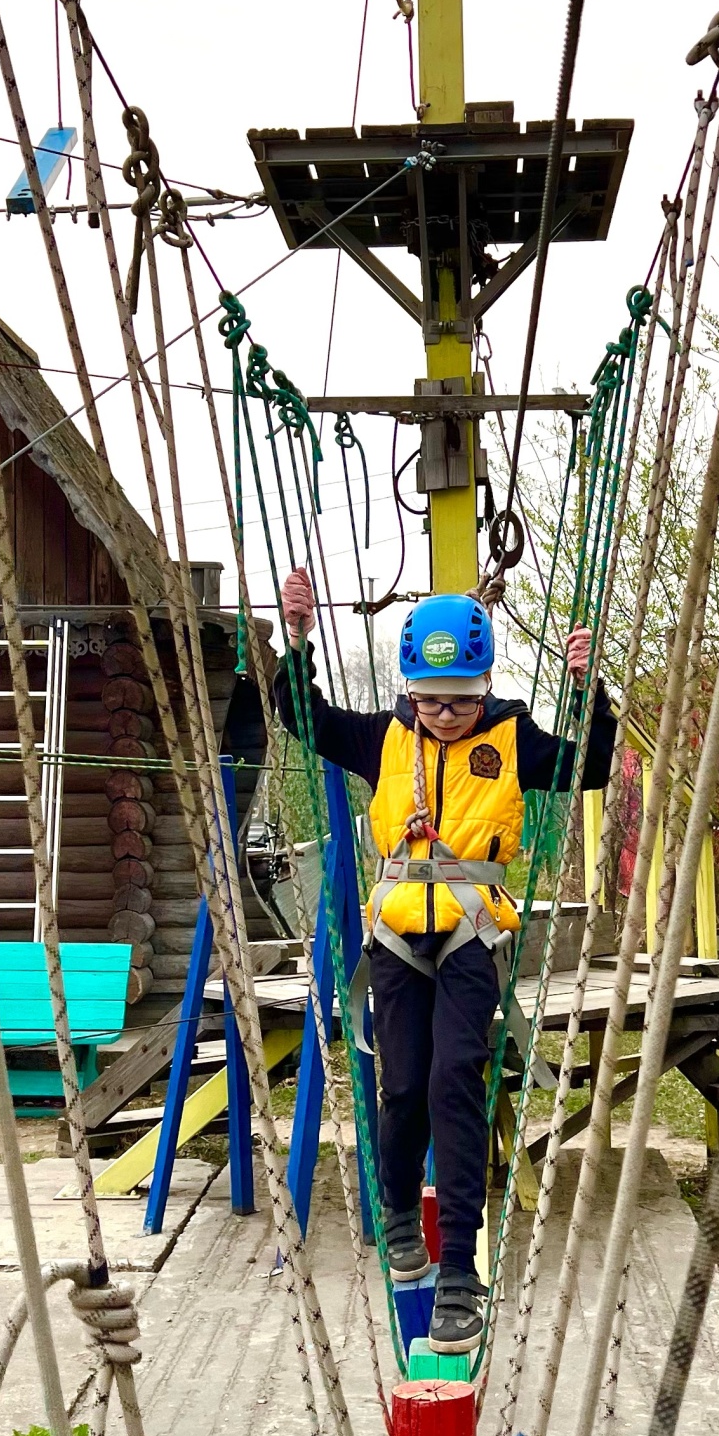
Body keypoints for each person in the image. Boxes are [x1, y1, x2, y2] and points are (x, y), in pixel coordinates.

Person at [275, 574, 615, 1355]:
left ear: (486, 685)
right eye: (431, 700)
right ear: (412, 692)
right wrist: (296, 640)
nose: (446, 713)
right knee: (402, 1086)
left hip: (468, 938)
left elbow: (586, 768)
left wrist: (586, 692)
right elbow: (306, 718)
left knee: (454, 1082)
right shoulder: (385, 741)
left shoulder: (511, 740)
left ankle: (460, 1265)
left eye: (460, 699)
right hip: (396, 939)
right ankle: (398, 1209)